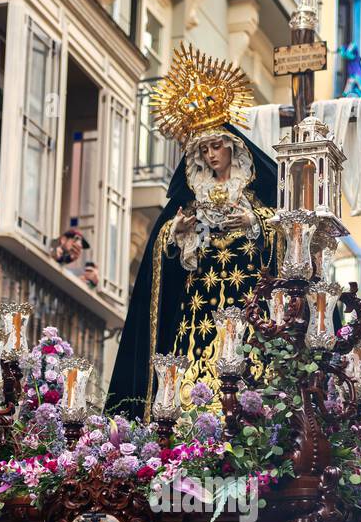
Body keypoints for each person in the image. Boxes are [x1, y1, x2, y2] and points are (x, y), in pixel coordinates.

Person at [106, 45, 278, 417]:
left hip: (247, 300)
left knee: (246, 381)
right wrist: (176, 232)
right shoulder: (192, 197)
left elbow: (287, 238)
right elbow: (165, 254)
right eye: (204, 150)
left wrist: (254, 221)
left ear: (233, 146)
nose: (212, 155)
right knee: (192, 396)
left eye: (217, 146)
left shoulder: (256, 195)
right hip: (198, 308)